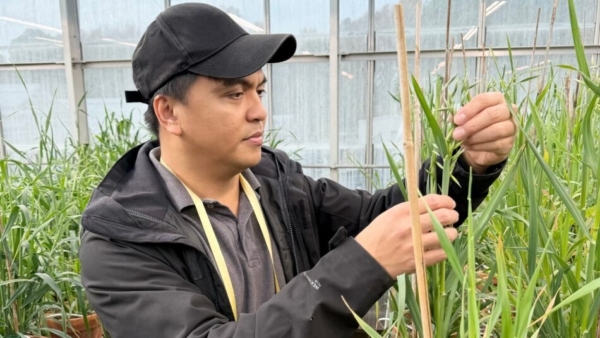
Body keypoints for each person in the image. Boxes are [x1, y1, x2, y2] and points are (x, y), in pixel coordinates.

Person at [78, 3, 516, 338]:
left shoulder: (274, 183)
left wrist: (470, 165)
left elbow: (381, 215)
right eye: (234, 94)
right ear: (169, 112)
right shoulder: (122, 237)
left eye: (259, 89)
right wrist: (363, 265)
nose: (259, 112)